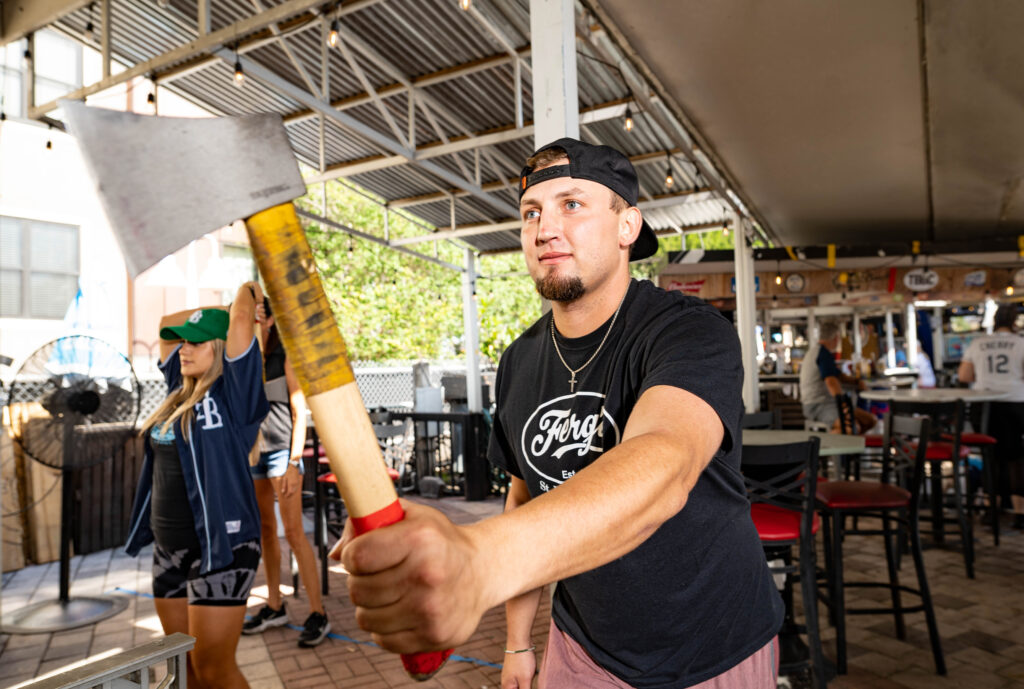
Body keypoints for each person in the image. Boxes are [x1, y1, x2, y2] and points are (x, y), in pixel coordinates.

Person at [337, 138, 783, 688]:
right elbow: (522, 495)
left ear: (627, 227)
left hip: (712, 646)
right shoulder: (520, 359)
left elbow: (666, 461)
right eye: (532, 212)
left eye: (572, 205)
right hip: (582, 646)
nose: (546, 229)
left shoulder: (688, 330)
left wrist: (481, 565)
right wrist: (517, 643)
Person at [125, 282, 269, 689]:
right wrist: (202, 320)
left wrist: (245, 295)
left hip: (223, 549)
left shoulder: (234, 396)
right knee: (184, 670)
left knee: (215, 671)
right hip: (169, 548)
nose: (183, 349)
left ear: (221, 348)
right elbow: (167, 324)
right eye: (184, 344)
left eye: (198, 342)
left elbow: (241, 317)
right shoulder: (177, 390)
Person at [243, 297, 331, 646]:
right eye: (253, 312)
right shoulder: (245, 358)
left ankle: (317, 613)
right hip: (255, 455)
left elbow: (300, 413)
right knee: (266, 530)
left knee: (294, 532)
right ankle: (275, 606)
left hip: (282, 454)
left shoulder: (285, 354)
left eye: (262, 311)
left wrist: (295, 463)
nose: (258, 317)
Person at [958, 303, 1024, 528]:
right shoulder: (1021, 343)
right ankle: (1019, 514)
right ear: (1014, 322)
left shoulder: (978, 343)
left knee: (990, 457)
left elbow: (964, 376)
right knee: (1016, 457)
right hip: (1016, 404)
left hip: (984, 405)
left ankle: (990, 511)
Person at [799, 321, 876, 433]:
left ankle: (852, 448)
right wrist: (843, 405)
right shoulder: (822, 354)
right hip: (818, 405)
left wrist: (856, 382)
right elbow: (831, 381)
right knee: (850, 428)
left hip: (828, 403)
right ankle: (821, 447)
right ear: (835, 338)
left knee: (870, 420)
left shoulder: (819, 352)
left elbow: (838, 376)